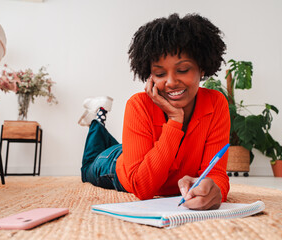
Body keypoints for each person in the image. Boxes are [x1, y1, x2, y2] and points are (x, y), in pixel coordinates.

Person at [79, 13, 230, 210]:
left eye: (183, 70)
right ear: (150, 75)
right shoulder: (138, 105)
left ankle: (102, 125)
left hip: (142, 153)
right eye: (159, 74)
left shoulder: (215, 103)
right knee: (89, 165)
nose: (171, 82)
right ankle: (97, 118)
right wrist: (175, 119)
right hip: (113, 164)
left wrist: (215, 189)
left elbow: (216, 174)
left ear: (202, 68)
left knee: (125, 146)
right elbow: (143, 188)